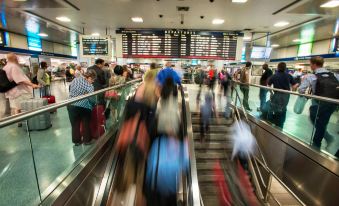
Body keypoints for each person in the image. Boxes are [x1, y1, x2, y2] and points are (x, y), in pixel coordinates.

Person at [298, 56, 339, 150]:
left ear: (314, 64)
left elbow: (301, 90)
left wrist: (306, 93)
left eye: (310, 64)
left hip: (319, 103)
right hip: (332, 103)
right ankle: (318, 143)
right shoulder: (334, 75)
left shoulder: (311, 76)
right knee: (323, 122)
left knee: (314, 116)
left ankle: (320, 142)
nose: (310, 66)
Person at [67, 70, 97, 146]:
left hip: (71, 105)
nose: (93, 82)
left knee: (75, 125)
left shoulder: (75, 79)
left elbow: (70, 89)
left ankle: (76, 141)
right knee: (86, 124)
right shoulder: (89, 86)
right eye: (92, 80)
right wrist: (94, 104)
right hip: (84, 107)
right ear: (89, 78)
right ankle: (87, 140)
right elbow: (91, 99)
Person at [268, 62, 298, 129]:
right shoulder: (288, 75)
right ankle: (280, 125)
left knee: (274, 107)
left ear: (278, 67)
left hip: (276, 94)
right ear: (285, 68)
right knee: (283, 108)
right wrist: (293, 90)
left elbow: (268, 86)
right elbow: (295, 85)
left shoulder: (274, 75)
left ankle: (273, 122)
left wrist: (271, 92)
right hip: (285, 96)